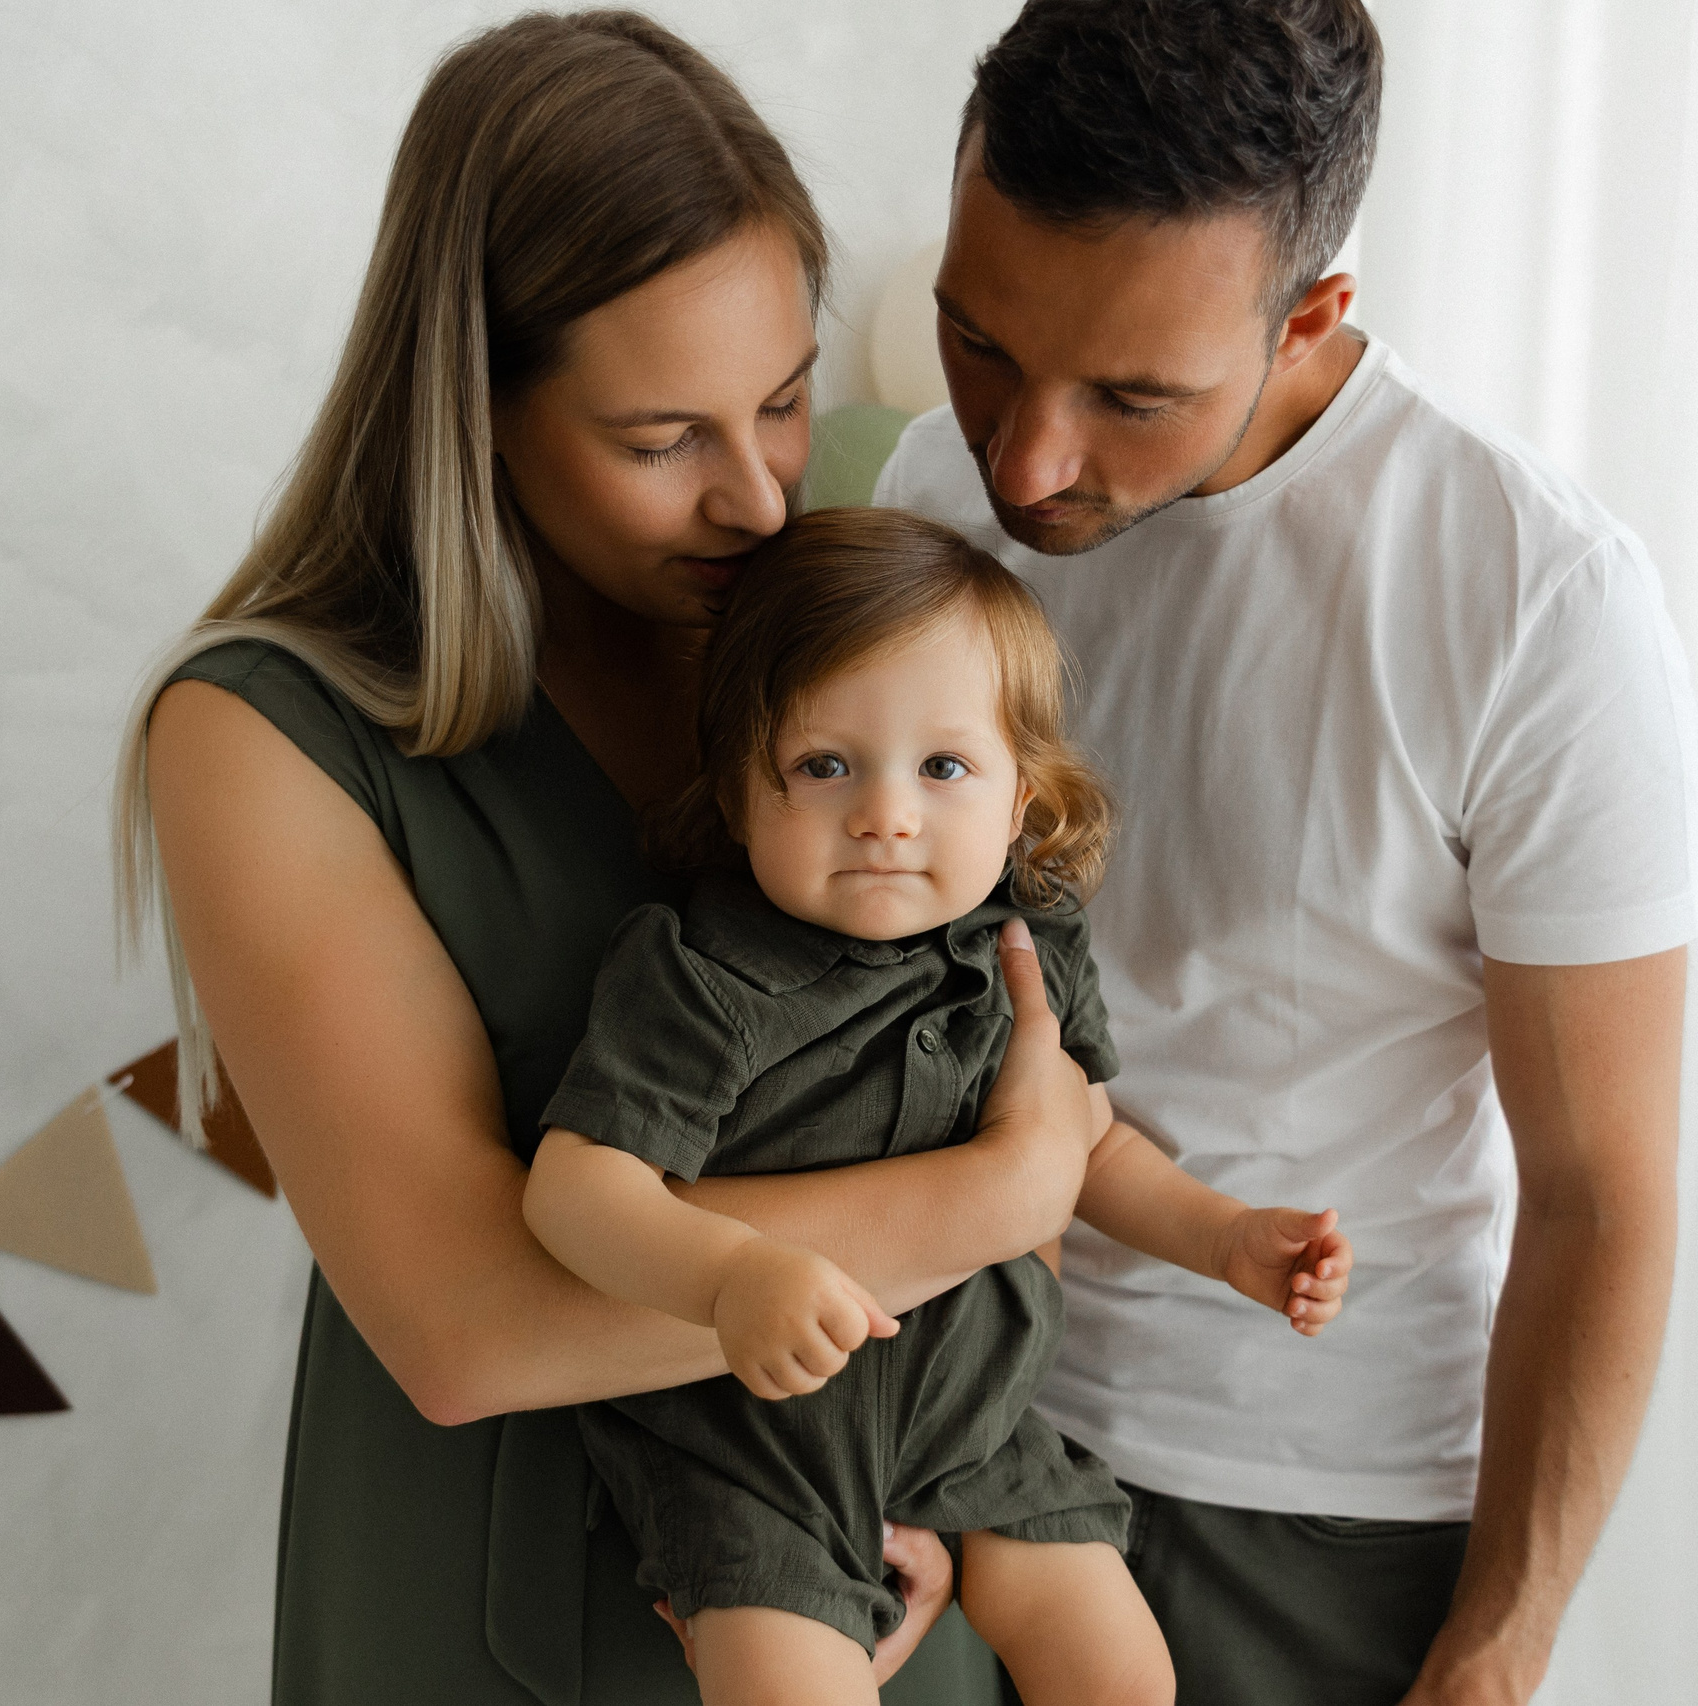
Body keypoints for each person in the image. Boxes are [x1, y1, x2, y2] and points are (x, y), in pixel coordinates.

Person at [113, 14, 1101, 1703]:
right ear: (479, 414)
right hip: (513, 1620)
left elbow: (983, 1028)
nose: (761, 501)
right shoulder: (266, 737)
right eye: (662, 443)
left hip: (876, 1571)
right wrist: (997, 1203)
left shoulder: (844, 633)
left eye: (783, 402)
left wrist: (949, 1462)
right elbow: (466, 1325)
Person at [874, 3, 1698, 1703]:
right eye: (980, 346)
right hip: (946, 1428)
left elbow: (1602, 1192)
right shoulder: (928, 492)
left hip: (1310, 1511)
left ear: (1314, 314)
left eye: (1129, 396)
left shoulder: (1529, 598)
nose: (1024, 461)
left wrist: (1501, 1642)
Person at [521, 508, 1354, 1706]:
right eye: (823, 764)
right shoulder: (704, 975)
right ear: (736, 789)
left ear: (1022, 801)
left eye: (943, 767)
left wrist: (1222, 1238)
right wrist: (727, 1277)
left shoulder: (1028, 947)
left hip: (977, 1424)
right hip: (750, 1451)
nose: (885, 814)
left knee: (1125, 1675)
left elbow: (1092, 1141)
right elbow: (575, 1185)